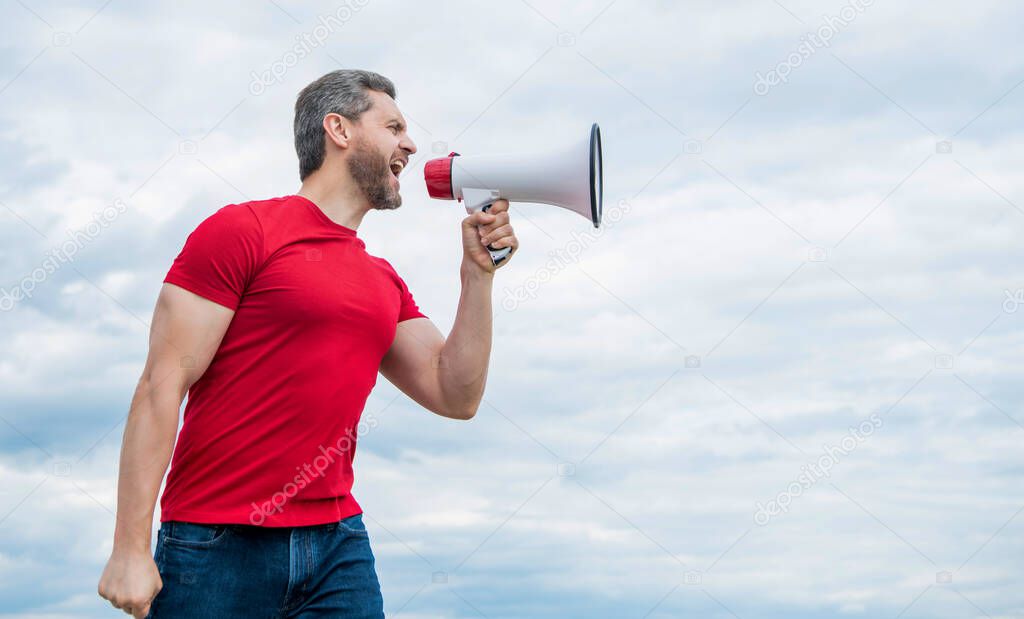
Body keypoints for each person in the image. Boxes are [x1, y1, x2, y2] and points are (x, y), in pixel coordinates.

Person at [97, 69, 518, 618]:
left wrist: (478, 277)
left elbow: (454, 394)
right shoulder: (242, 231)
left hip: (338, 546)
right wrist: (129, 548)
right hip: (215, 541)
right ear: (338, 129)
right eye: (393, 127)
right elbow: (160, 385)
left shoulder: (382, 279)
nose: (411, 145)